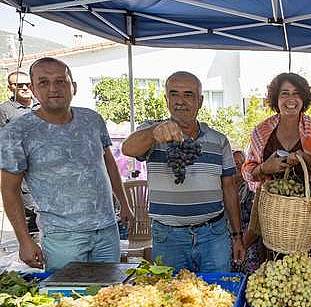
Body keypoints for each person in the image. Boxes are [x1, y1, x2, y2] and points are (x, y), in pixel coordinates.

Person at [0, 57, 131, 271]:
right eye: (44, 82)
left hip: (107, 230)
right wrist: (24, 240)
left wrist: (124, 202)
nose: (54, 88)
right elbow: (9, 189)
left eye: (61, 81)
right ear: (33, 89)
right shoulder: (17, 132)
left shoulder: (92, 119)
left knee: (110, 296)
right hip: (62, 237)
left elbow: (109, 163)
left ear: (73, 87)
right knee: (67, 300)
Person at [122, 71, 242, 273]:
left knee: (218, 296)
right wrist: (154, 133)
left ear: (200, 101)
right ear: (166, 99)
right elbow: (128, 148)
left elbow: (229, 188)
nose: (180, 101)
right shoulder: (153, 132)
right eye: (174, 94)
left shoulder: (218, 140)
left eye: (188, 94)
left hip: (213, 236)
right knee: (172, 299)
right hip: (169, 238)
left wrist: (237, 236)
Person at [242, 73, 311, 264]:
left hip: (307, 217)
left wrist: (306, 159)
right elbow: (249, 172)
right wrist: (264, 167)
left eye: (296, 93)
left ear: (304, 98)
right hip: (273, 218)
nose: (290, 99)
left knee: (308, 274)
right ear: (276, 99)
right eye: (284, 93)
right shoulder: (262, 131)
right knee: (273, 277)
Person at [0, 71, 40, 235]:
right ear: (11, 87)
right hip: (22, 172)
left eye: (27, 83)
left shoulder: (44, 104)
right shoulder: (4, 111)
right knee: (31, 215)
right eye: (19, 85)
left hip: (49, 170)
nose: (24, 87)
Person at [231, 150, 258, 273]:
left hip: (247, 244)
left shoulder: (251, 190)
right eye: (234, 162)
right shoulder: (224, 188)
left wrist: (242, 245)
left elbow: (256, 223)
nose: (238, 165)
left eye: (242, 162)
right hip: (227, 244)